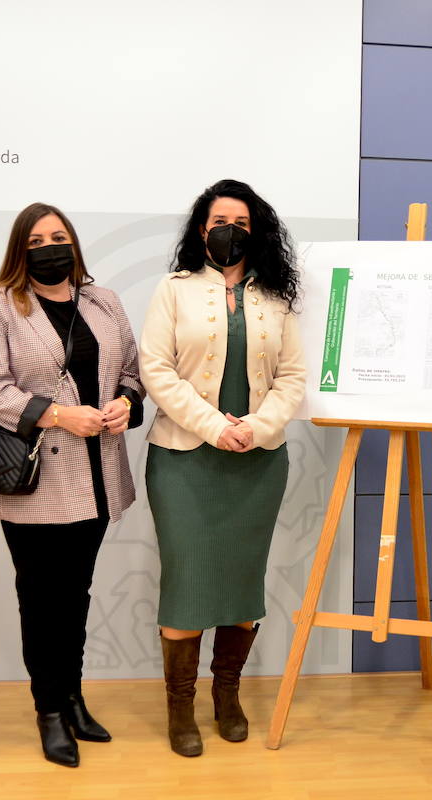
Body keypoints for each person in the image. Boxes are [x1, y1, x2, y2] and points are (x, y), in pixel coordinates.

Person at [0, 203, 144, 768]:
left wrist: (123, 405)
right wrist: (62, 416)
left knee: (77, 595)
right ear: (22, 250)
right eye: (38, 238)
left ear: (74, 244)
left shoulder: (104, 301)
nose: (50, 246)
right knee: (41, 599)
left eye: (59, 236)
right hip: (38, 479)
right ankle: (48, 710)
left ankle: (73, 697)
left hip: (98, 477)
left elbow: (134, 376)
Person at [139, 179, 306, 757]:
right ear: (201, 230)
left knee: (241, 584)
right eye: (216, 221)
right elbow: (156, 371)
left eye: (239, 221)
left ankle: (227, 696)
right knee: (186, 584)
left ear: (255, 231)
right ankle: (179, 709)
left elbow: (293, 378)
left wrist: (255, 430)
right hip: (184, 461)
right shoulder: (174, 289)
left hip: (256, 465)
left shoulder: (276, 297)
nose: (227, 230)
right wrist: (216, 426)